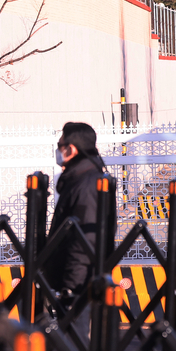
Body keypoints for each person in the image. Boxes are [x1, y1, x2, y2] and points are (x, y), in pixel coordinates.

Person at [43, 121, 108, 301]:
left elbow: (85, 239)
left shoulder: (86, 185)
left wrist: (71, 287)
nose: (58, 151)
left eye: (60, 146)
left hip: (79, 287)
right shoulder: (78, 180)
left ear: (71, 150)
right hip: (72, 281)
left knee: (75, 329)